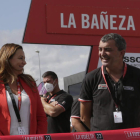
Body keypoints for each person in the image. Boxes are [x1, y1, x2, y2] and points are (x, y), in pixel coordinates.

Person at [79, 33, 140, 131]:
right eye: (100, 49)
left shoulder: (137, 75)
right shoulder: (91, 78)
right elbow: (84, 117)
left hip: (132, 137)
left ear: (121, 53)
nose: (102, 53)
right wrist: (101, 134)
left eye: (107, 49)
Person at [0, 43, 47, 135]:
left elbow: (41, 117)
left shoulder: (30, 82)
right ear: (7, 59)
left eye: (24, 59)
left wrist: (39, 137)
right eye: (20, 58)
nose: (24, 62)